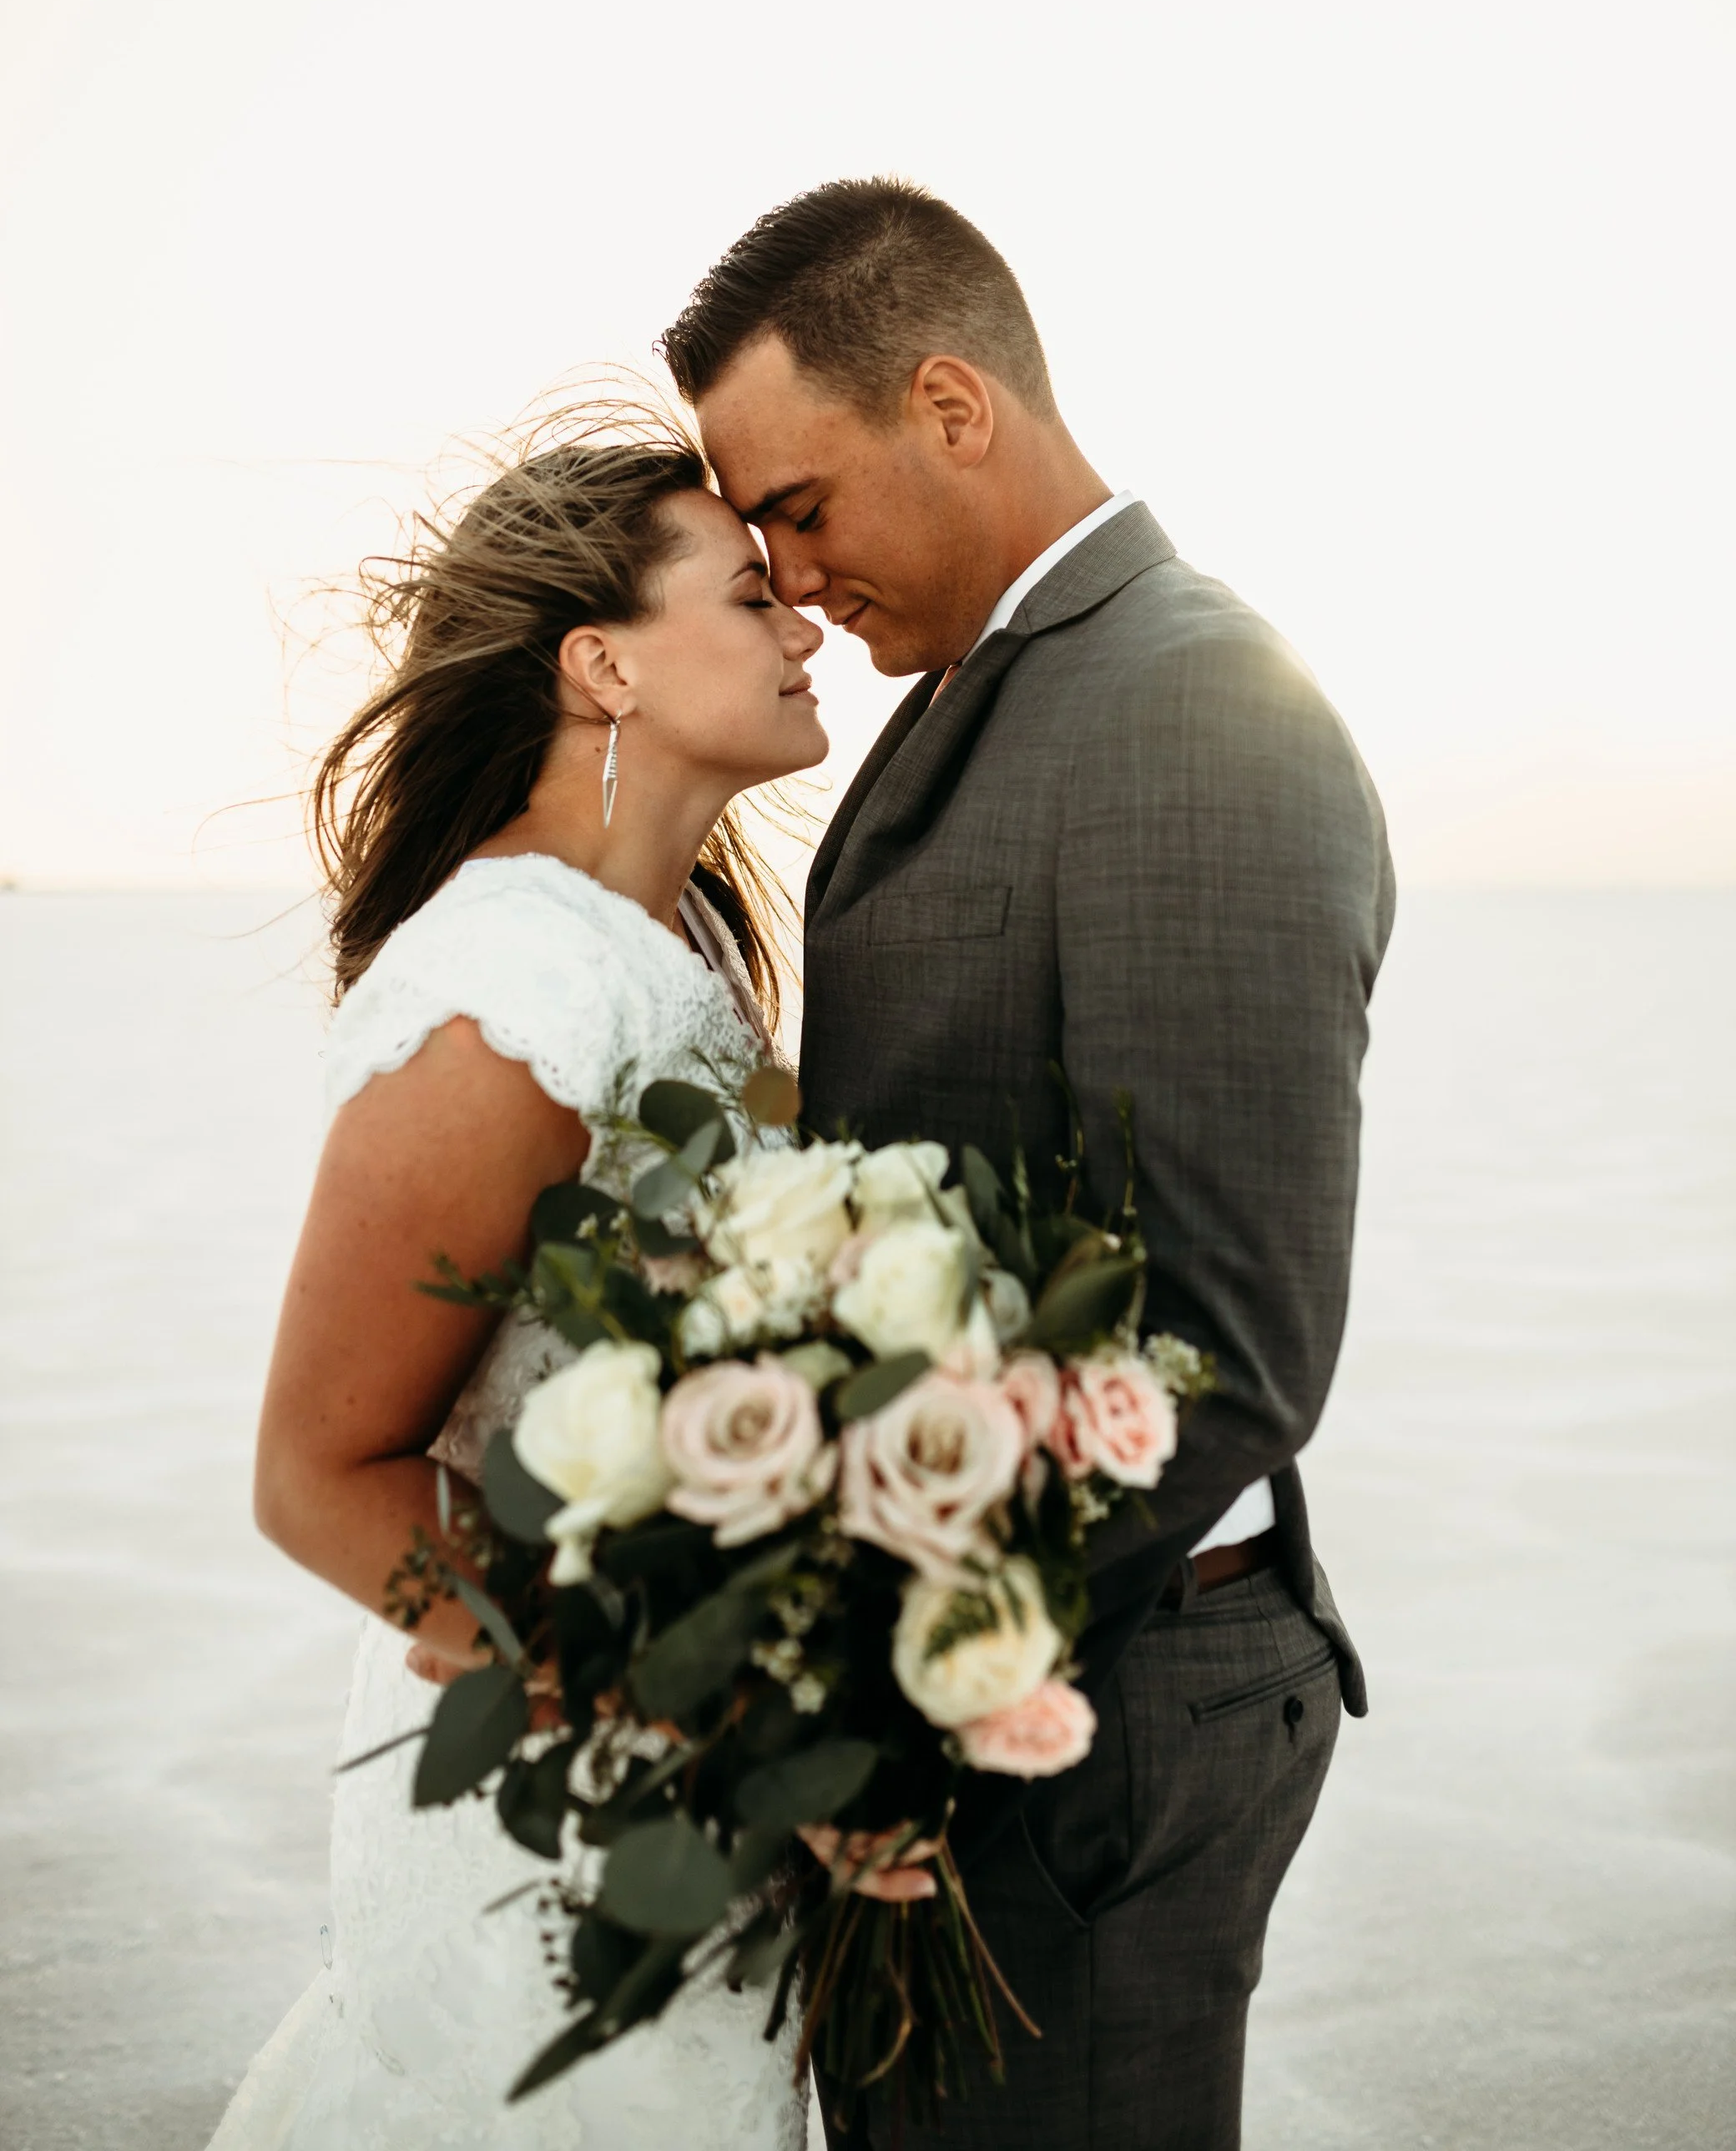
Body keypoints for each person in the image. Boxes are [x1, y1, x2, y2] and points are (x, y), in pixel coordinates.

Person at [663, 179, 1396, 2151]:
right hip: (1004, 1682)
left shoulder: (1186, 709)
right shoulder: (984, 692)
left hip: (1098, 1715)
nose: (793, 583)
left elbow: (1222, 1339)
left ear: (951, 405)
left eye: (802, 509)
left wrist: (895, 1695)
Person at [208, 418, 825, 2151]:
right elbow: (317, 1474)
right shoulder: (503, 992)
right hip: (549, 1832)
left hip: (700, 1825)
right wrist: (649, 1695)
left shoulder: (681, 946)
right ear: (599, 663)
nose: (806, 629)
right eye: (750, 593)